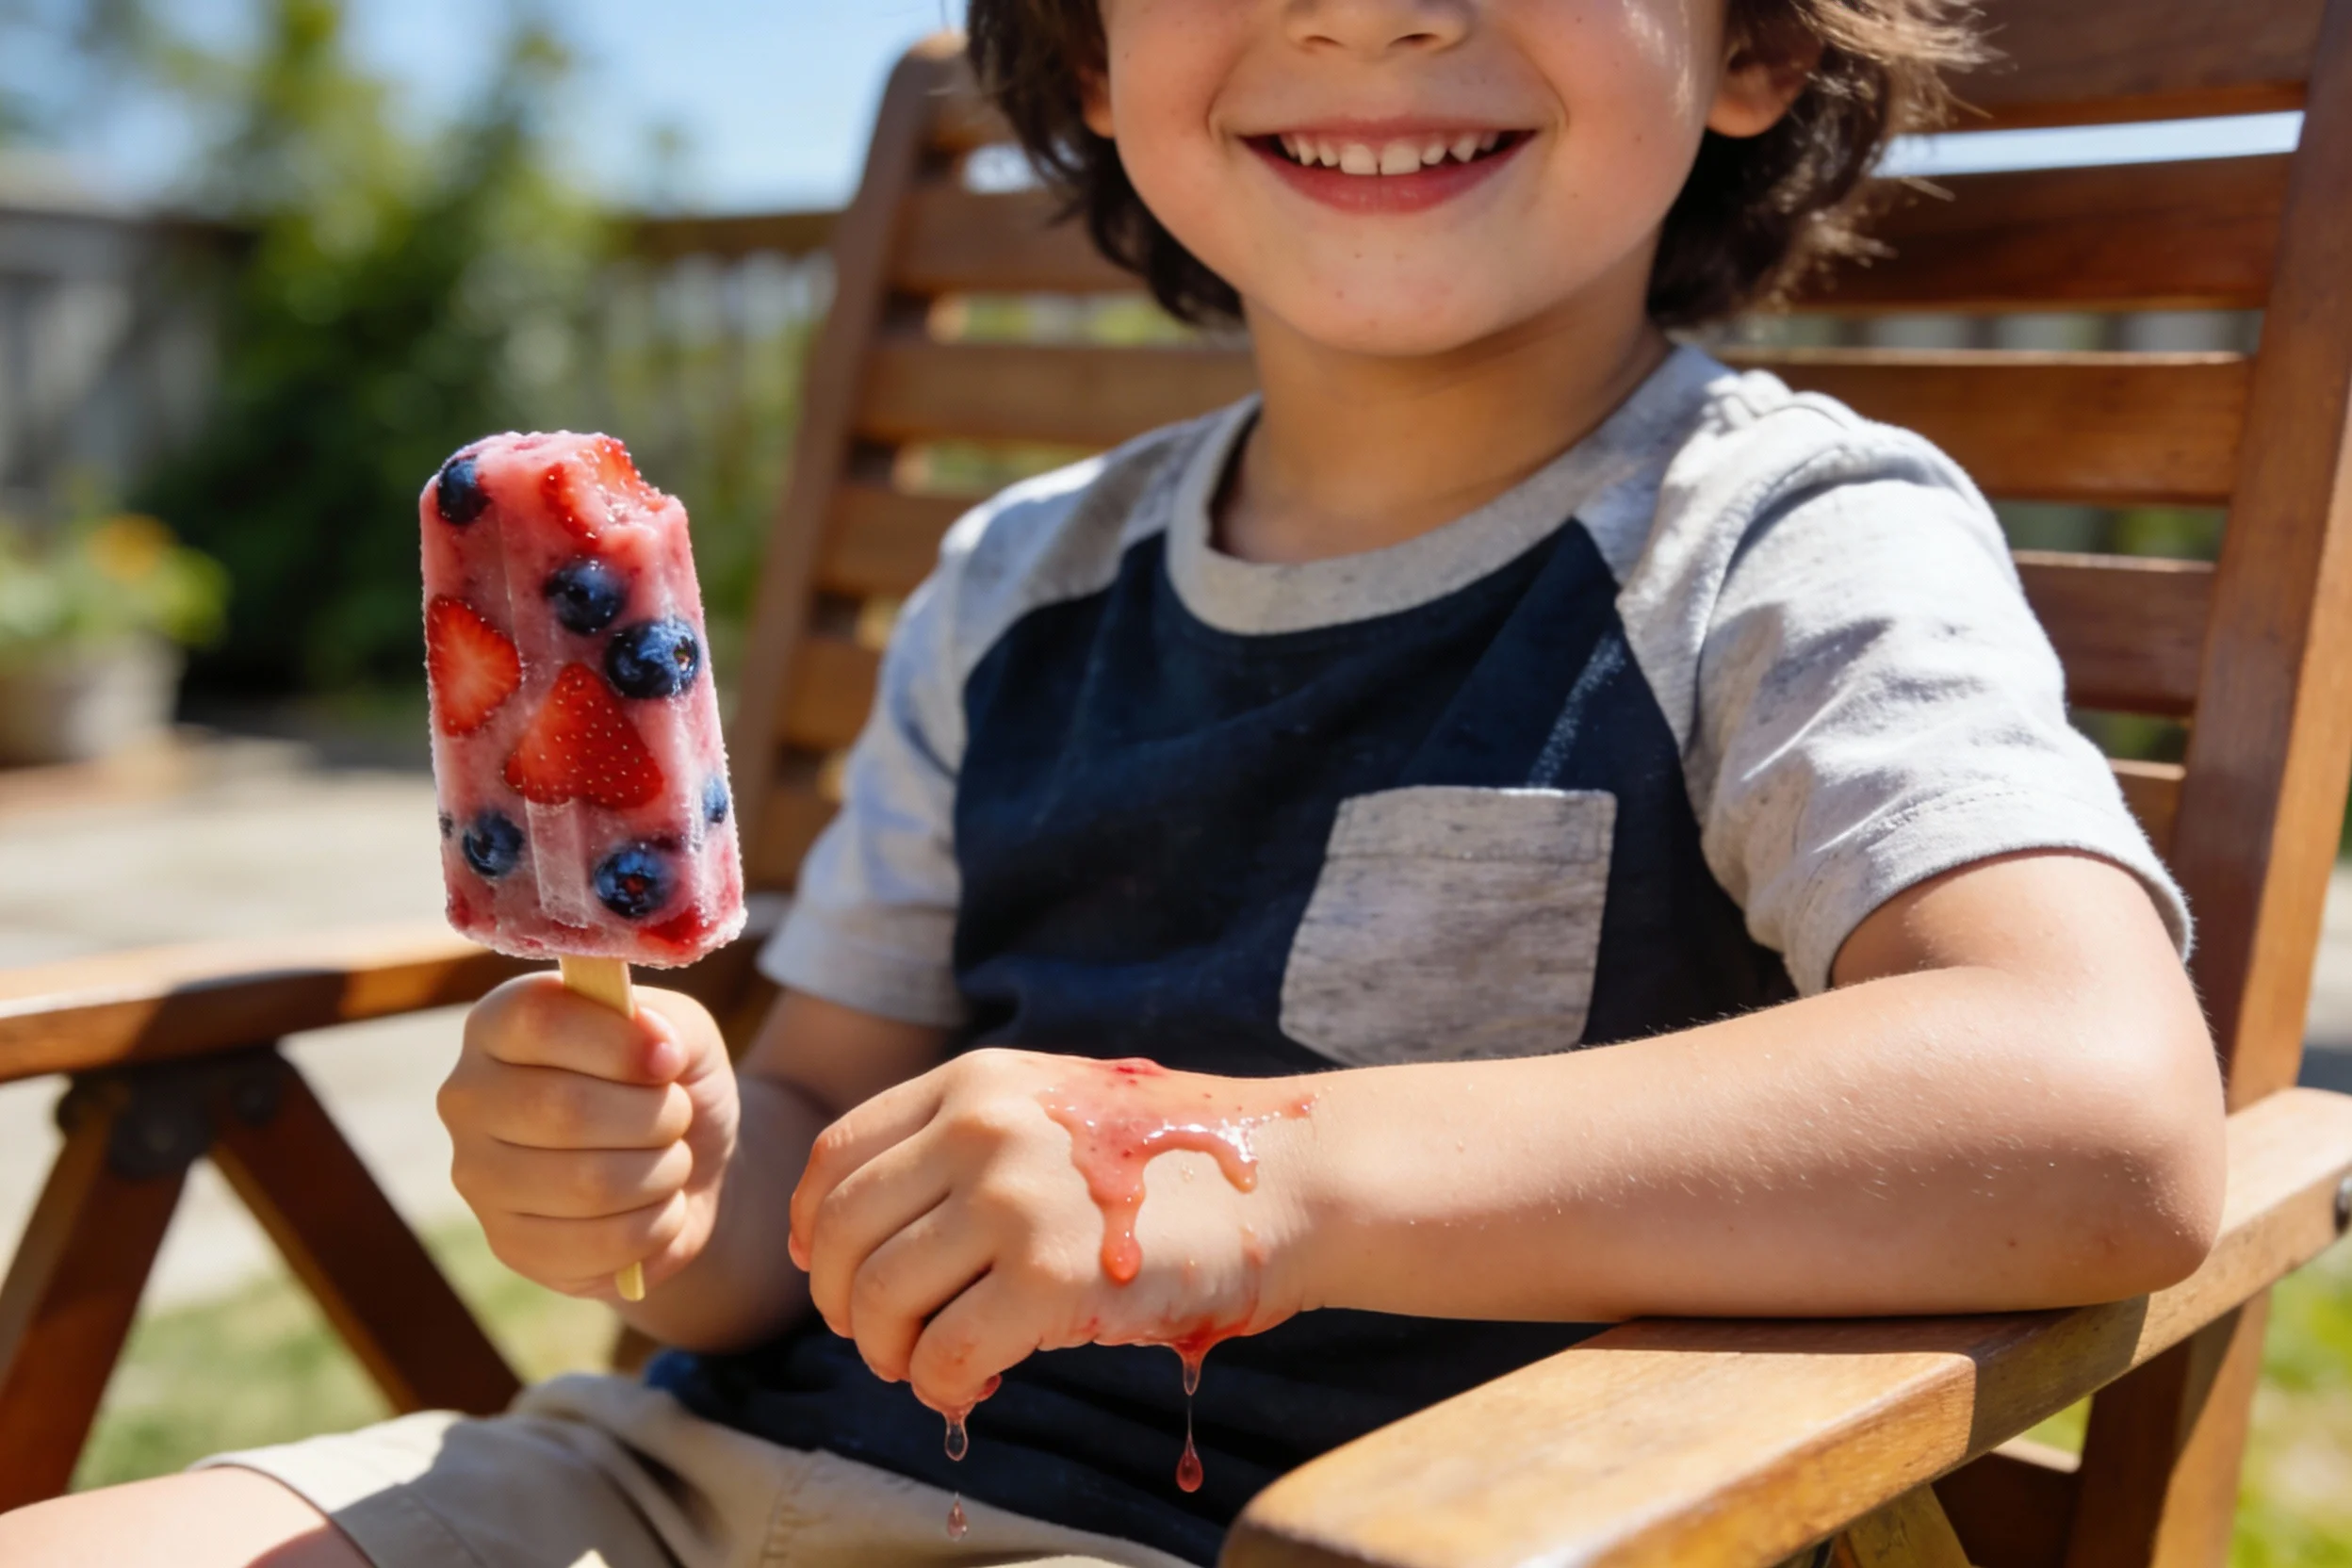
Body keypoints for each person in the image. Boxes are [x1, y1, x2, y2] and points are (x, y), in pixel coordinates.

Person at [3, 2, 2227, 1565]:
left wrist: (1240, 1170)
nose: (1362, 10)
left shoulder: (1774, 549)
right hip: (682, 1479)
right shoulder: (1015, 582)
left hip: (1348, 1530)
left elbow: (2097, 1110)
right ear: (1085, 52)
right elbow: (783, 1202)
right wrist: (660, 1196)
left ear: (1750, 40)